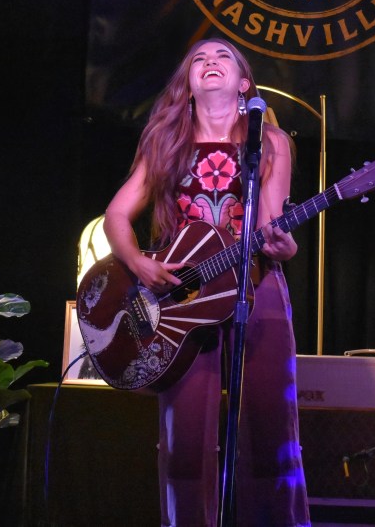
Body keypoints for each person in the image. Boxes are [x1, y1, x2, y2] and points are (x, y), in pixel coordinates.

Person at [103, 38, 311, 527]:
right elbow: (116, 214)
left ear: (244, 84)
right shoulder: (165, 140)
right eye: (198, 57)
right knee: (186, 434)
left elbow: (271, 222)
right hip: (185, 297)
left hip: (254, 284)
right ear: (188, 84)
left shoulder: (271, 141)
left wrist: (286, 246)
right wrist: (137, 261)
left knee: (270, 425)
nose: (209, 62)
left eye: (223, 58)